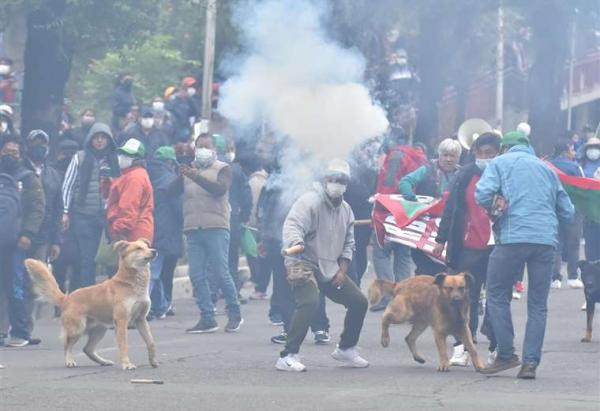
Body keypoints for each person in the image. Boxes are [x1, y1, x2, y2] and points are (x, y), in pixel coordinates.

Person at [475, 131, 574, 379]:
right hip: (545, 242)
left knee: (497, 294)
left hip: (511, 238)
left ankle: (506, 354)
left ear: (506, 147)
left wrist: (497, 207)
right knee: (538, 305)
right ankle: (530, 363)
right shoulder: (547, 169)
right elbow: (568, 211)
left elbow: (482, 194)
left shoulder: (499, 163)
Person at [277, 158, 369, 372]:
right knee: (309, 301)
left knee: (359, 302)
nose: (337, 183)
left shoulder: (346, 210)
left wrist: (343, 268)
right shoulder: (309, 201)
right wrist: (295, 242)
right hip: (302, 262)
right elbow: (293, 225)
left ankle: (346, 348)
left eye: (342, 180)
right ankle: (288, 355)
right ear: (325, 180)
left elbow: (349, 242)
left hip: (330, 267)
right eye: (333, 179)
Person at [433, 132, 501, 367]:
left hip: (496, 248)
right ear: (474, 154)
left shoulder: (504, 174)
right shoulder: (465, 175)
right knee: (461, 299)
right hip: (467, 247)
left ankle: (495, 346)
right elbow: (450, 207)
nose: (485, 157)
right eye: (480, 153)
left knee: (496, 298)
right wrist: (441, 239)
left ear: (498, 154)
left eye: (490, 154)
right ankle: (461, 347)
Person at [181, 133, 242, 333]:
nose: (202, 150)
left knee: (221, 272)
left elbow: (219, 190)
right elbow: (171, 191)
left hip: (216, 226)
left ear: (215, 149)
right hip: (193, 228)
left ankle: (234, 313)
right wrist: (180, 173)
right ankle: (207, 317)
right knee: (196, 274)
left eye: (206, 146)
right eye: (199, 146)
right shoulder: (190, 170)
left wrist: (195, 176)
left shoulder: (222, 169)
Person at [370, 128, 427, 311]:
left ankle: (388, 296)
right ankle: (405, 298)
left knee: (381, 252)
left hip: (390, 211)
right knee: (403, 255)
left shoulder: (396, 155)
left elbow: (388, 184)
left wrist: (381, 208)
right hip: (409, 212)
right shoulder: (417, 156)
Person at [61, 123, 120, 290]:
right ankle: (88, 302)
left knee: (112, 260)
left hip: (110, 218)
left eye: (103, 138)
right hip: (84, 216)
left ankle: (113, 300)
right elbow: (68, 185)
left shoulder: (115, 159)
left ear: (109, 140)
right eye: (96, 137)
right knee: (87, 260)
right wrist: (65, 211)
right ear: (90, 139)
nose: (100, 141)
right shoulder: (79, 157)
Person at [0, 135, 45, 347]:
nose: (10, 155)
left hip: (16, 241)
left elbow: (37, 208)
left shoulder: (28, 178)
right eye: (6, 151)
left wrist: (28, 233)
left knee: (15, 286)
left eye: (14, 152)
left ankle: (20, 331)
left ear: (21, 154)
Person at [399, 138, 462, 275]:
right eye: (445, 155)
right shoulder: (427, 170)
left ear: (458, 158)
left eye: (452, 156)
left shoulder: (463, 175)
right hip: (425, 227)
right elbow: (405, 182)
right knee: (424, 267)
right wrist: (413, 200)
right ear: (439, 155)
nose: (448, 159)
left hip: (450, 228)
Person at [147, 146, 183, 319]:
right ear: (170, 162)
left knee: (153, 269)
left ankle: (159, 305)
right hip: (167, 230)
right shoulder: (171, 180)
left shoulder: (145, 175)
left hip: (147, 228)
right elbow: (179, 209)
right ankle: (153, 306)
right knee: (159, 272)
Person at [106, 138, 154, 244]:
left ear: (137, 159)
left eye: (128, 155)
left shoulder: (134, 178)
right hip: (135, 231)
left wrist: (118, 230)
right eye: (122, 153)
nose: (122, 157)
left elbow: (128, 208)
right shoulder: (130, 175)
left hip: (131, 234)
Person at [550, 140, 584, 289]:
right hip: (573, 209)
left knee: (556, 244)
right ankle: (572, 276)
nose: (574, 152)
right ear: (564, 151)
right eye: (571, 149)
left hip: (553, 209)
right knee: (573, 243)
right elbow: (582, 187)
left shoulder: (548, 166)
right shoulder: (575, 167)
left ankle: (555, 278)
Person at [50, 140, 80, 297]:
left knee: (76, 265)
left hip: (78, 223)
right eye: (65, 152)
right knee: (60, 265)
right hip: (60, 224)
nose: (68, 156)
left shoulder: (81, 170)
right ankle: (61, 300)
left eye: (72, 153)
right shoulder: (53, 173)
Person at [580, 137, 600, 262]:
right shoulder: (580, 166)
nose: (593, 150)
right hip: (589, 215)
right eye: (591, 147)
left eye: (597, 148)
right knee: (591, 248)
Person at [166, 77, 199, 142]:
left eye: (193, 86)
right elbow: (169, 109)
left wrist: (189, 99)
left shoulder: (191, 101)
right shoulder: (174, 100)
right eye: (189, 87)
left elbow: (196, 113)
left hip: (188, 131)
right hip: (176, 131)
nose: (192, 88)